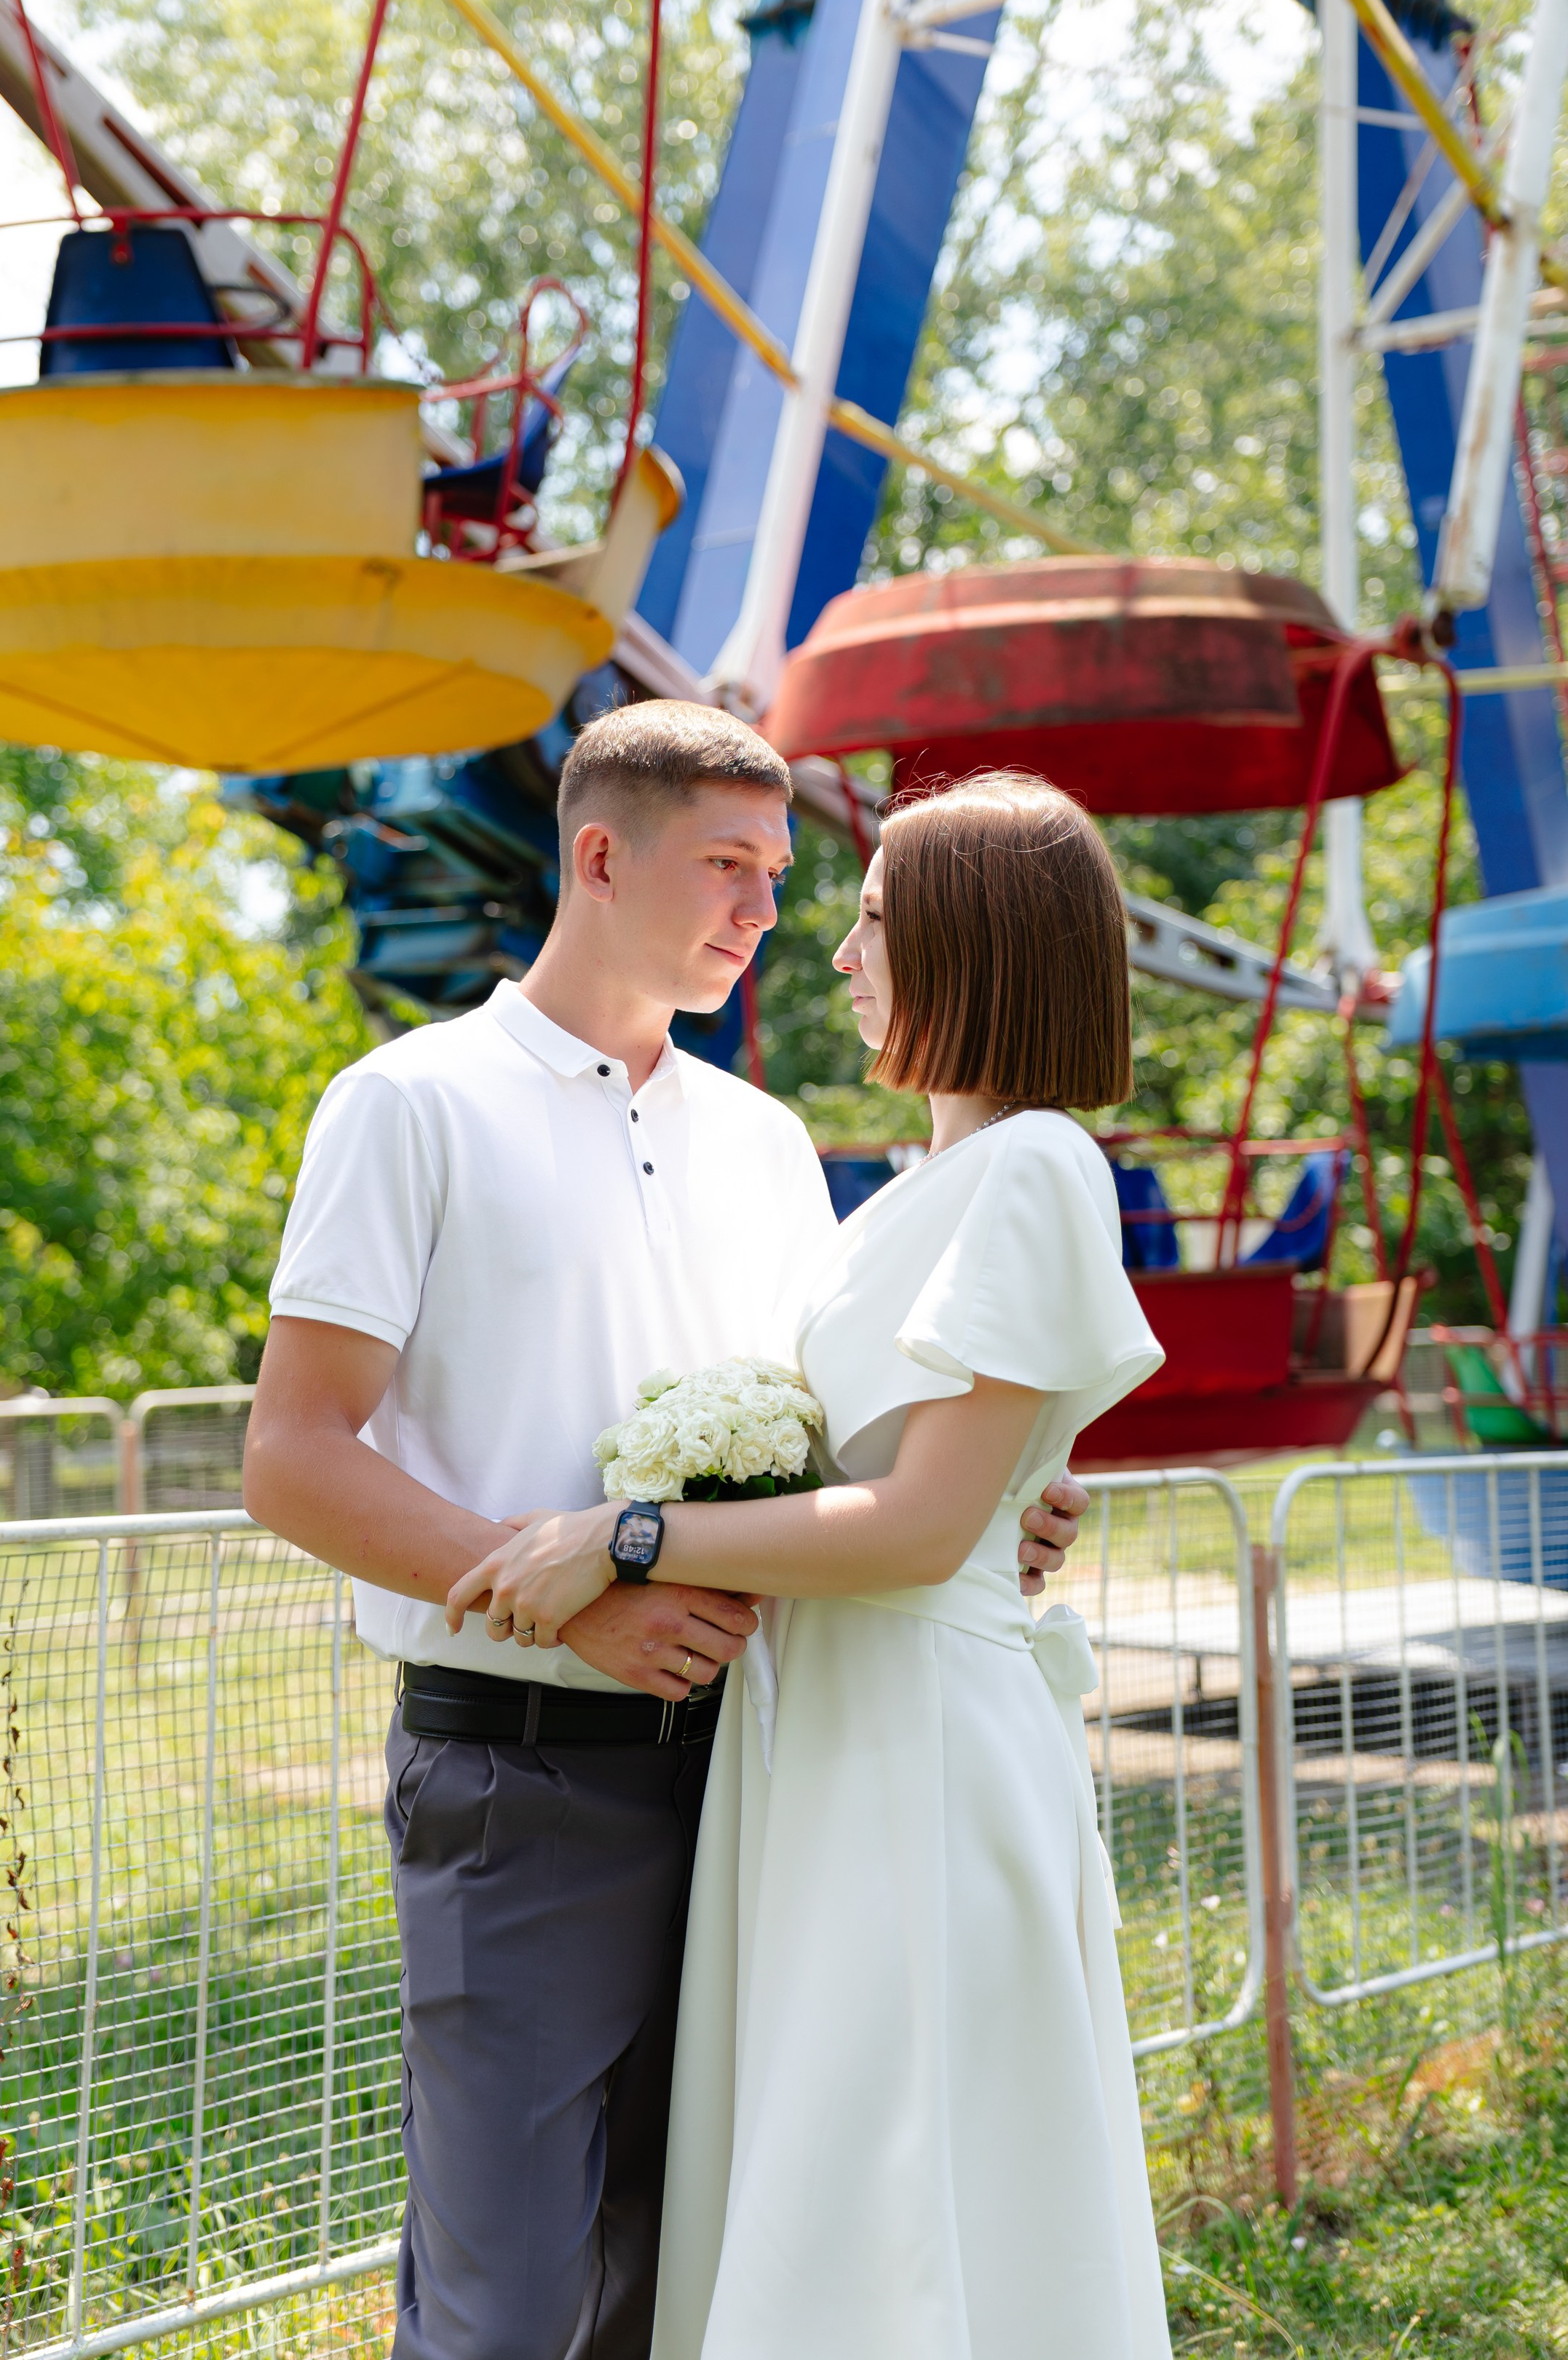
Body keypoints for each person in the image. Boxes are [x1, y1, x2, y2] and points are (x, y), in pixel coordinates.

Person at [242, 705, 1091, 2360]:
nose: (767, 912)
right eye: (728, 866)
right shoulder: (408, 1102)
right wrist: (576, 1600)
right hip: (524, 1775)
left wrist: (1007, 1496)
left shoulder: (767, 1144)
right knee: (506, 2308)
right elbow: (290, 1457)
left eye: (779, 874)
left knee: (686, 2288)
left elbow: (835, 1434)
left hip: (771, 1772)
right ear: (599, 856)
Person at [448, 768, 1173, 2360]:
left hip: (918, 1740)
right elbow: (914, 1475)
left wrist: (625, 1536)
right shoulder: (930, 1186)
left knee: (893, 2178)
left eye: (876, 919)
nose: (839, 953)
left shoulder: (1035, 1166)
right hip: (833, 1722)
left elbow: (919, 1526)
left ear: (977, 942)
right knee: (835, 2169)